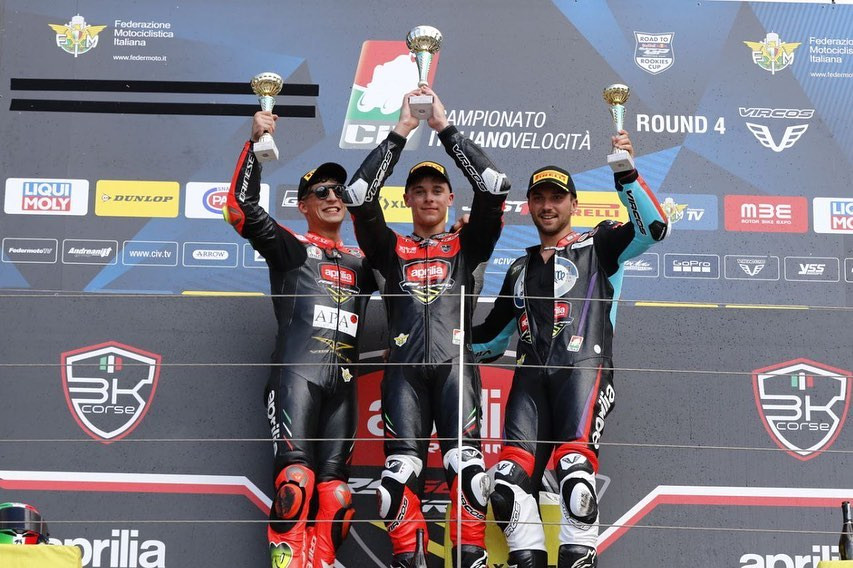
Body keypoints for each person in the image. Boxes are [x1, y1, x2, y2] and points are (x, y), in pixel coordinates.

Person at [472, 131, 670, 568]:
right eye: (539, 197)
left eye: (557, 197)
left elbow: (654, 228)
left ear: (573, 205)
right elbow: (489, 340)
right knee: (505, 488)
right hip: (529, 385)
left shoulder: (598, 245)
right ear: (529, 206)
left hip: (585, 372)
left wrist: (627, 174)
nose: (547, 205)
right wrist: (440, 344)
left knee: (576, 483)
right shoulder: (520, 268)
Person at [341, 86, 511, 568]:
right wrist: (402, 130)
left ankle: (471, 559)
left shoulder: (470, 244)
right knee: (395, 483)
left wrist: (443, 128)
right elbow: (357, 194)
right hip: (404, 377)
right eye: (420, 190)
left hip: (458, 371)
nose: (430, 197)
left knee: (472, 475)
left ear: (450, 195)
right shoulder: (387, 247)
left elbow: (496, 186)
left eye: (437, 190)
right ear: (408, 198)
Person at [223, 111, 377, 568]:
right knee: (295, 484)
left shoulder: (362, 262)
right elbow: (238, 208)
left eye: (339, 191)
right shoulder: (292, 248)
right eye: (321, 192)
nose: (333, 197)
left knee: (338, 494)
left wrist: (462, 236)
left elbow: (419, 283)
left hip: (343, 388)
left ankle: (322, 562)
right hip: (297, 377)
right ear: (305, 206)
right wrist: (254, 146)